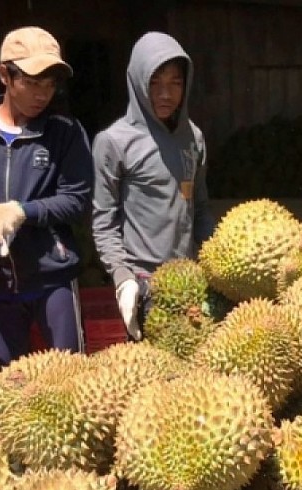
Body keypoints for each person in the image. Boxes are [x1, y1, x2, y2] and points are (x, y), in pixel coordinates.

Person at [0, 26, 93, 434]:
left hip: (53, 278)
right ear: (4, 75)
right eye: (30, 82)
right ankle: (3, 473)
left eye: (48, 83)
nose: (41, 93)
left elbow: (77, 199)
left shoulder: (65, 132)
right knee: (0, 392)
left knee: (72, 387)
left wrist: (22, 211)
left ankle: (73, 476)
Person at [91, 32, 212, 341]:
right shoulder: (114, 141)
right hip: (145, 285)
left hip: (189, 281)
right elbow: (104, 221)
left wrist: (211, 263)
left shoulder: (193, 138)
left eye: (175, 83)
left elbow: (200, 208)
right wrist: (122, 278)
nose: (166, 94)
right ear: (138, 83)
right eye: (155, 82)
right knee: (153, 381)